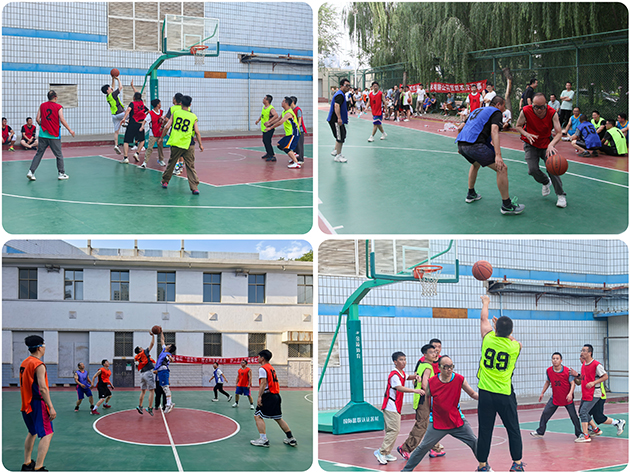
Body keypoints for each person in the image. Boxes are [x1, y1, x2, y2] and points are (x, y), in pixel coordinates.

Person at [402, 356, 479, 472]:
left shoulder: (459, 379)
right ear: (439, 368)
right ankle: (406, 470)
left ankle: (484, 466)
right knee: (423, 447)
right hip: (437, 423)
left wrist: (487, 398)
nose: (449, 369)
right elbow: (427, 397)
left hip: (457, 421)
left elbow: (473, 394)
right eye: (446, 367)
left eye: (451, 366)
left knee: (474, 442)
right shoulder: (432, 382)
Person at [476, 295, 524, 472]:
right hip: (504, 393)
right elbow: (517, 342)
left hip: (485, 393)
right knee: (513, 429)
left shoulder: (488, 338)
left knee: (485, 430)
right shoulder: (514, 347)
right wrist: (507, 333)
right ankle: (517, 464)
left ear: (495, 328)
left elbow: (483, 318)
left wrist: (486, 303)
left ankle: (482, 465)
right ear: (511, 331)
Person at [456, 96, 525, 215]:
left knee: (475, 164)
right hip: (475, 145)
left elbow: (460, 127)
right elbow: (494, 131)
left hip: (462, 144)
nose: (504, 109)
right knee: (502, 168)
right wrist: (498, 155)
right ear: (498, 105)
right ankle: (507, 205)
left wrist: (460, 145)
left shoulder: (477, 110)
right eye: (503, 106)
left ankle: (471, 194)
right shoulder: (496, 112)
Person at [514, 92, 566, 208]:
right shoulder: (526, 111)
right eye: (536, 107)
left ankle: (561, 195)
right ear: (532, 104)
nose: (538, 110)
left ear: (546, 104)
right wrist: (526, 134)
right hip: (531, 143)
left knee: (553, 168)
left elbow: (559, 133)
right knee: (532, 170)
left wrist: (551, 145)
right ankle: (545, 182)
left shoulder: (552, 113)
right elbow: (518, 126)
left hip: (547, 144)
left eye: (541, 107)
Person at [374, 351, 424, 465]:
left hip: (395, 406)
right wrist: (414, 390)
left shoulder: (401, 373)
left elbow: (407, 377)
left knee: (391, 430)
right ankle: (381, 452)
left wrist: (415, 376)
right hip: (391, 406)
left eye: (405, 359)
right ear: (395, 362)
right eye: (401, 360)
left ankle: (386, 452)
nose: (404, 362)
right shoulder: (394, 375)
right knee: (394, 430)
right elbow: (399, 387)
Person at [570, 344, 625, 442]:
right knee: (584, 412)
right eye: (581, 351)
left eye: (583, 351)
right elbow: (584, 379)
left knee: (592, 415)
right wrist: (576, 376)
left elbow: (605, 376)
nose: (581, 353)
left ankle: (587, 435)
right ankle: (594, 429)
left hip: (595, 394)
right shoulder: (584, 365)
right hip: (586, 393)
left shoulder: (596, 365)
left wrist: (593, 383)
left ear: (589, 353)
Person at [20, 335, 56, 472]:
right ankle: (38, 467)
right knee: (48, 433)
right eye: (44, 346)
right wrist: (51, 407)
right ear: (40, 348)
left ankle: (27, 463)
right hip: (37, 404)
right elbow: (43, 388)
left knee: (32, 431)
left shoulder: (25, 362)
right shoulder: (38, 365)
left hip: (26, 403)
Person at [397, 344, 438, 461]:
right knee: (422, 424)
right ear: (425, 355)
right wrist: (434, 393)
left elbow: (416, 379)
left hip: (419, 398)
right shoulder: (428, 367)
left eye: (435, 352)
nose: (434, 354)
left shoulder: (421, 365)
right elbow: (425, 384)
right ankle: (405, 448)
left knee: (428, 424)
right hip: (423, 398)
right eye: (431, 352)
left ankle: (435, 447)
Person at [250, 349, 298, 447]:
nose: (257, 358)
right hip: (276, 396)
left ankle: (263, 440)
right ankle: (291, 438)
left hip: (268, 395)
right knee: (278, 418)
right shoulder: (271, 368)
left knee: (257, 416)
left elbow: (263, 383)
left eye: (258, 356)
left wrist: (259, 396)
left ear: (262, 358)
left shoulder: (262, 368)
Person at [530, 352, 581, 439]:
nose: (555, 360)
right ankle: (540, 431)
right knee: (545, 414)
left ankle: (579, 433)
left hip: (567, 398)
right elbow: (547, 382)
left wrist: (570, 394)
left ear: (561, 360)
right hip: (555, 398)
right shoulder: (549, 370)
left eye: (557, 359)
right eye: (553, 358)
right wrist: (542, 393)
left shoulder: (567, 371)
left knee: (574, 417)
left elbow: (573, 384)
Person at [27, 90, 75, 181]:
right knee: (59, 155)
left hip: (43, 134)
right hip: (54, 135)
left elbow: (37, 119)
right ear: (55, 98)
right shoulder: (59, 107)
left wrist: (42, 125)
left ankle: (31, 172)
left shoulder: (42, 105)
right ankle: (61, 173)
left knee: (39, 154)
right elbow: (62, 119)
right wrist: (70, 130)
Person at [160, 95, 204, 193]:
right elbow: (197, 132)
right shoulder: (193, 116)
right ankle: (194, 187)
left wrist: (161, 138)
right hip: (189, 143)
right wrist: (200, 144)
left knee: (172, 163)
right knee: (190, 166)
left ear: (181, 104)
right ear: (190, 105)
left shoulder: (175, 113)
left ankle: (165, 181)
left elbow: (167, 127)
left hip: (176, 142)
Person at [263, 96, 301, 169]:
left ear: (286, 103)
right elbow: (278, 119)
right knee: (279, 145)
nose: (281, 102)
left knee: (286, 148)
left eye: (283, 101)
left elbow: (280, 122)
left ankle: (296, 163)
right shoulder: (284, 112)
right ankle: (293, 154)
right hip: (289, 134)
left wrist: (270, 128)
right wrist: (269, 123)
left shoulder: (289, 113)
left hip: (293, 133)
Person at [120, 92, 148, 164]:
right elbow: (147, 111)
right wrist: (144, 117)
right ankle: (137, 153)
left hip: (132, 124)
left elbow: (128, 110)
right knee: (142, 140)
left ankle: (125, 158)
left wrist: (124, 118)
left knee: (126, 141)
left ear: (134, 98)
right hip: (140, 124)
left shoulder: (132, 103)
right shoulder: (142, 104)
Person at [101, 76, 126, 154]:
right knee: (130, 113)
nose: (111, 88)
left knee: (116, 132)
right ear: (107, 90)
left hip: (114, 116)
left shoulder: (108, 96)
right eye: (109, 88)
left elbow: (113, 86)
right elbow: (120, 87)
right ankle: (126, 122)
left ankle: (116, 145)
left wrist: (113, 79)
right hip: (120, 113)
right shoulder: (114, 94)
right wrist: (118, 79)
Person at [328, 78, 351, 163]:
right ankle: (338, 156)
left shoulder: (342, 94)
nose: (348, 87)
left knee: (342, 134)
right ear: (341, 86)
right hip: (335, 120)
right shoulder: (340, 95)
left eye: (349, 86)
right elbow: (336, 106)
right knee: (340, 137)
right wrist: (339, 118)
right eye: (346, 85)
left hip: (337, 119)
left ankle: (336, 150)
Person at [134, 331, 156, 416]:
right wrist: (153, 336)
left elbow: (136, 364)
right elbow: (152, 344)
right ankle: (150, 408)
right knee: (152, 390)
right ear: (140, 350)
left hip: (142, 374)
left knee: (143, 391)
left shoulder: (137, 357)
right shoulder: (144, 352)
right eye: (141, 347)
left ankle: (140, 406)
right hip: (147, 373)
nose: (142, 348)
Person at [154, 331, 177, 413]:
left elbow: (171, 359)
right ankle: (169, 403)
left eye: (169, 345)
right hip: (160, 372)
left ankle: (168, 404)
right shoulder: (164, 350)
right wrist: (161, 332)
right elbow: (162, 340)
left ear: (169, 348)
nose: (167, 345)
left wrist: (170, 358)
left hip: (163, 371)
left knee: (166, 388)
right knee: (164, 388)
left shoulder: (167, 354)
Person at [142, 99, 166, 167]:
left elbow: (165, 119)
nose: (160, 104)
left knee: (160, 147)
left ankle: (161, 160)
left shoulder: (161, 112)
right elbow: (145, 120)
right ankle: (145, 162)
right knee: (150, 148)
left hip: (160, 133)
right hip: (153, 133)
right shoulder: (151, 113)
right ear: (158, 105)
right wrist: (142, 126)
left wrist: (163, 119)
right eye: (160, 103)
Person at [255, 95, 278, 162]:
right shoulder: (264, 107)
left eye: (264, 98)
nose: (263, 99)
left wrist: (269, 121)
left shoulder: (271, 108)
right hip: (264, 127)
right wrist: (258, 120)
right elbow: (262, 115)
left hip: (269, 127)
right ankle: (268, 153)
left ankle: (272, 156)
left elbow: (276, 115)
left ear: (267, 100)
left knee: (267, 141)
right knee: (265, 141)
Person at [290, 96, 308, 162]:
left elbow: (300, 119)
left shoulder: (298, 110)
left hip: (299, 130)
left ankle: (300, 159)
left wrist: (297, 128)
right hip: (294, 130)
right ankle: (295, 158)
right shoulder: (291, 110)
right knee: (295, 145)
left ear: (292, 102)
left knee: (299, 145)